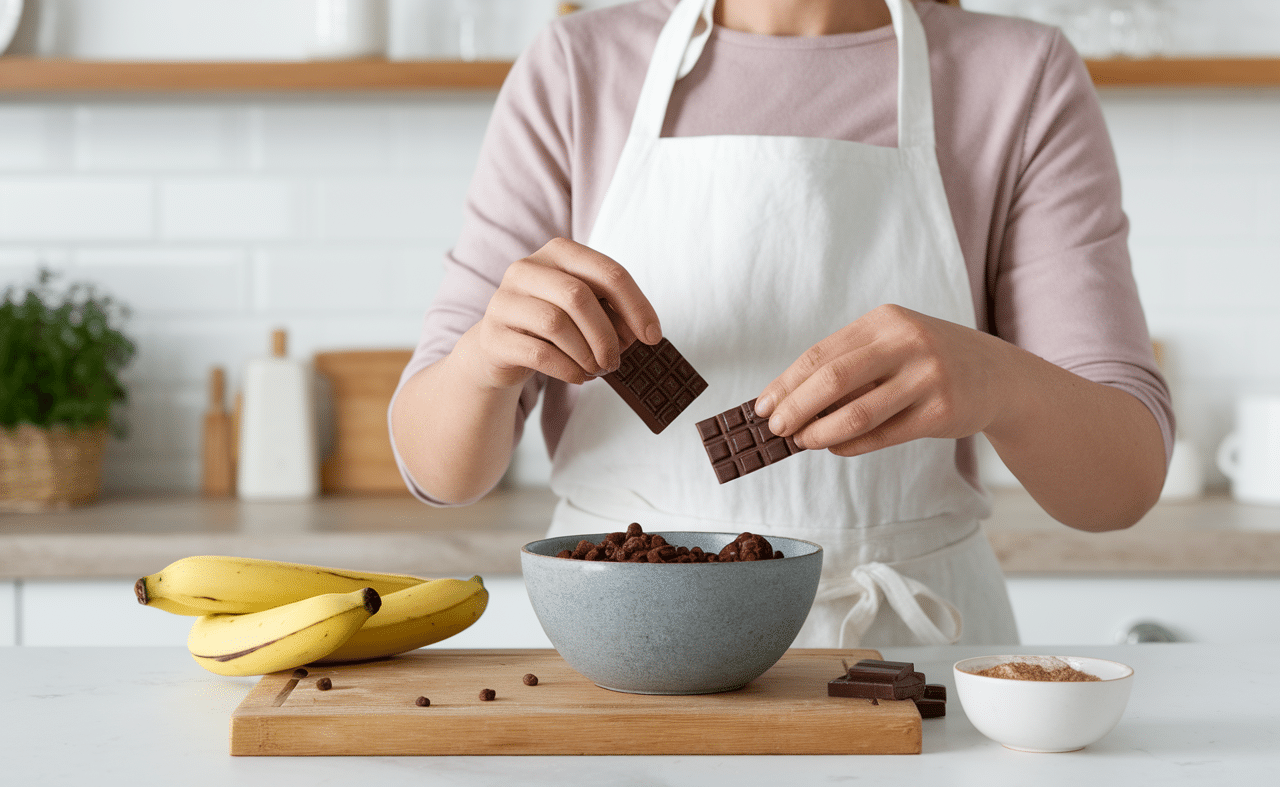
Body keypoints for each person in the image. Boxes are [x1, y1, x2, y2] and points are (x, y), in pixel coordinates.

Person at [388, 0, 1173, 648]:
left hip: (907, 646)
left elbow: (1121, 487)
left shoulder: (1018, 78)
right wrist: (486, 360)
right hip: (617, 641)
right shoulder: (576, 68)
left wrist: (999, 381)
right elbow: (440, 472)